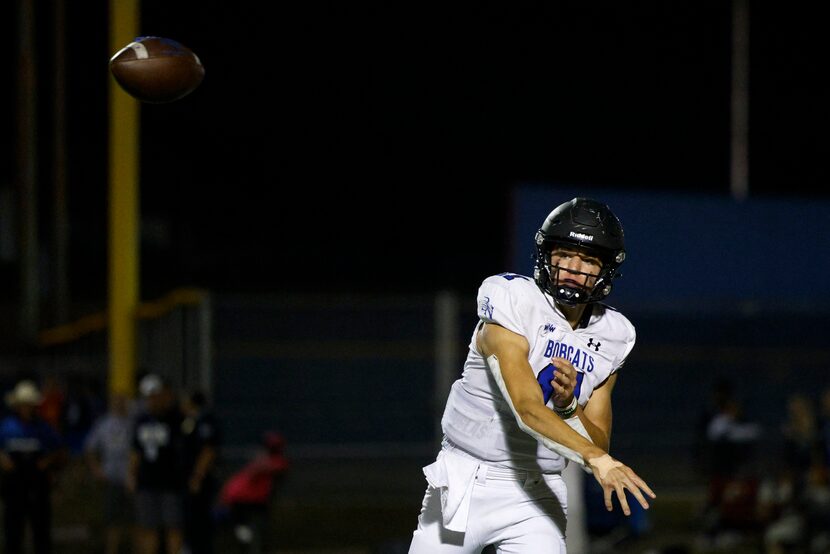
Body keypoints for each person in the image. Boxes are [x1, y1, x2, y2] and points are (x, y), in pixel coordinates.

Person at [408, 197, 656, 553]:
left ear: (606, 270)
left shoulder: (614, 333)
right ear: (546, 255)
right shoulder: (511, 297)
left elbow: (598, 442)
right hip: (467, 478)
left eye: (587, 259)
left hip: (538, 491)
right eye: (565, 254)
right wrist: (597, 460)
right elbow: (526, 408)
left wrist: (569, 405)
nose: (573, 267)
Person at [0, 379, 67, 554]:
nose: (26, 409)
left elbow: (59, 448)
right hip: (14, 483)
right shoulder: (7, 426)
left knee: (41, 528)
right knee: (13, 528)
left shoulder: (42, 427)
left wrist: (47, 461)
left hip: (37, 484)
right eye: (23, 405)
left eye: (29, 405)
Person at [126, 373, 186, 554]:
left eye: (155, 396)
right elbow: (136, 451)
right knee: (148, 527)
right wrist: (131, 474)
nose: (152, 400)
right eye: (148, 397)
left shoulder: (174, 418)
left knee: (173, 526)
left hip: (170, 481)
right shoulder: (141, 421)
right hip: (147, 481)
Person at [84, 391, 135, 554]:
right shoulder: (103, 424)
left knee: (136, 519)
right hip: (111, 477)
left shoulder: (132, 423)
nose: (119, 404)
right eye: (116, 401)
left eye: (122, 400)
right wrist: (96, 470)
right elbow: (90, 448)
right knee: (112, 519)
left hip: (131, 477)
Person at [181, 390, 221, 554]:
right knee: (190, 516)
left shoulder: (206, 421)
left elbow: (208, 450)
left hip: (200, 480)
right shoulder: (189, 421)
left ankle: (201, 549)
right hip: (190, 477)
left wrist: (197, 476)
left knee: (199, 517)